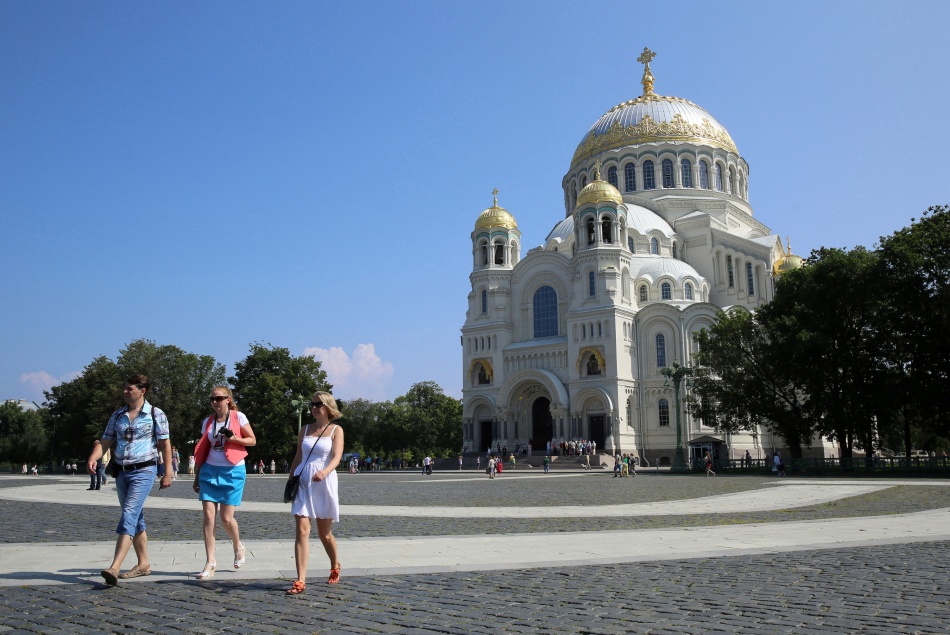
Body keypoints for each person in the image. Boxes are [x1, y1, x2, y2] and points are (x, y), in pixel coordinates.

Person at [86, 374, 172, 585]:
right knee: (136, 518)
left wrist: (167, 472)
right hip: (122, 471)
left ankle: (114, 567)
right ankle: (143, 564)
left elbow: (165, 445)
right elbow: (106, 441)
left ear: (142, 391)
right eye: (124, 388)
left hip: (144, 470)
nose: (125, 391)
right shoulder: (118, 415)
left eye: (129, 388)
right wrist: (93, 458)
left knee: (129, 513)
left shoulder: (155, 414)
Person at [192, 386, 256, 579]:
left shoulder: (239, 417)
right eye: (212, 399)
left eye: (219, 398)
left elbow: (252, 440)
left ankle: (238, 545)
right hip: (209, 470)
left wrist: (234, 438)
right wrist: (197, 475)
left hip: (233, 470)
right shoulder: (208, 422)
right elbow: (203, 448)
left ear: (228, 399)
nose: (215, 402)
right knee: (209, 518)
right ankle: (210, 562)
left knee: (226, 518)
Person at [287, 391, 345, 595]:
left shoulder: (336, 430)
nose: (314, 407)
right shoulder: (304, 429)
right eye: (312, 404)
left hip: (324, 480)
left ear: (328, 406)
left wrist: (325, 471)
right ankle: (301, 580)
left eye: (318, 404)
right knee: (302, 529)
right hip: (303, 481)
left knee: (324, 533)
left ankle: (335, 564)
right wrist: (290, 479)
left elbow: (337, 457)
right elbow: (298, 457)